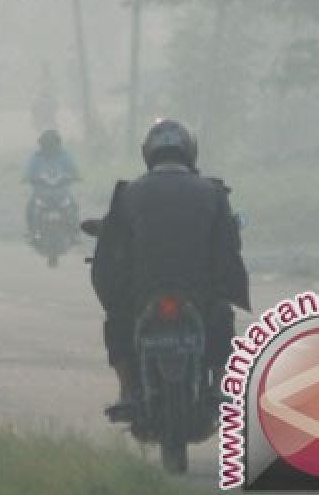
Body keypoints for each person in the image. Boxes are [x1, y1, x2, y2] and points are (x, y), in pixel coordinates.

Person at [90, 119, 250, 408]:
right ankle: (219, 381)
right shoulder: (213, 192)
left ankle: (127, 389)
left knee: (117, 320)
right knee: (222, 315)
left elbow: (112, 245)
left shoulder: (128, 193)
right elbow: (228, 247)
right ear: (190, 152)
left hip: (143, 290)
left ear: (148, 153)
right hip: (198, 290)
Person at [22, 129, 81, 241]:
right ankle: (31, 231)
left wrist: (75, 176)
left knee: (73, 205)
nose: (50, 146)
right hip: (40, 191)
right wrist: (29, 178)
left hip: (62, 190)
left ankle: (75, 231)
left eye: (52, 143)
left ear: (57, 143)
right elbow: (29, 171)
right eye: (47, 144)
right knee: (30, 207)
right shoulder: (36, 156)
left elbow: (73, 169)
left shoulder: (65, 155)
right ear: (42, 144)